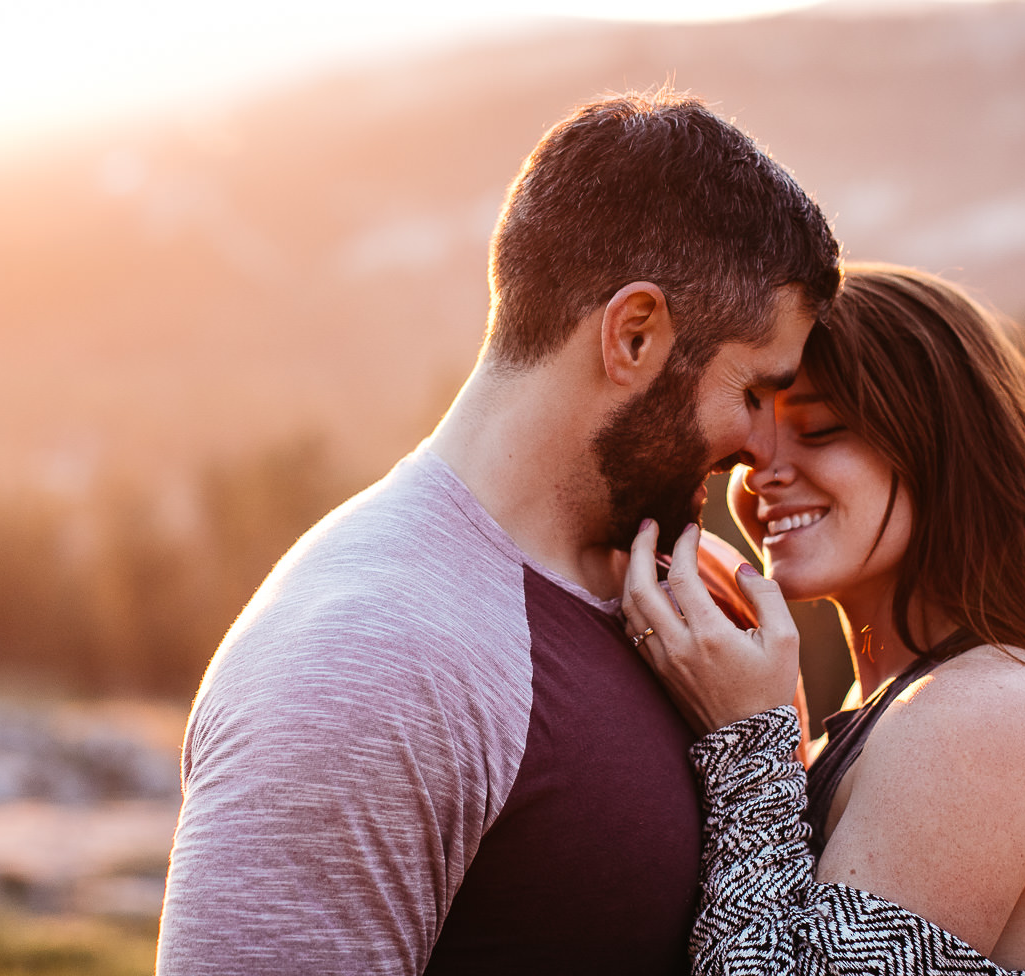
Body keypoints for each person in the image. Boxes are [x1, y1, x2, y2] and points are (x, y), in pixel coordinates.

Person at [156, 90, 843, 974]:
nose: (760, 448)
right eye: (752, 392)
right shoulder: (363, 660)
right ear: (635, 336)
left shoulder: (700, 605)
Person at [623, 264, 1025, 976]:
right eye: (753, 439)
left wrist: (746, 745)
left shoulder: (987, 716)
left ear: (945, 448)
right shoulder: (906, 704)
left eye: (819, 429)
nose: (762, 469)